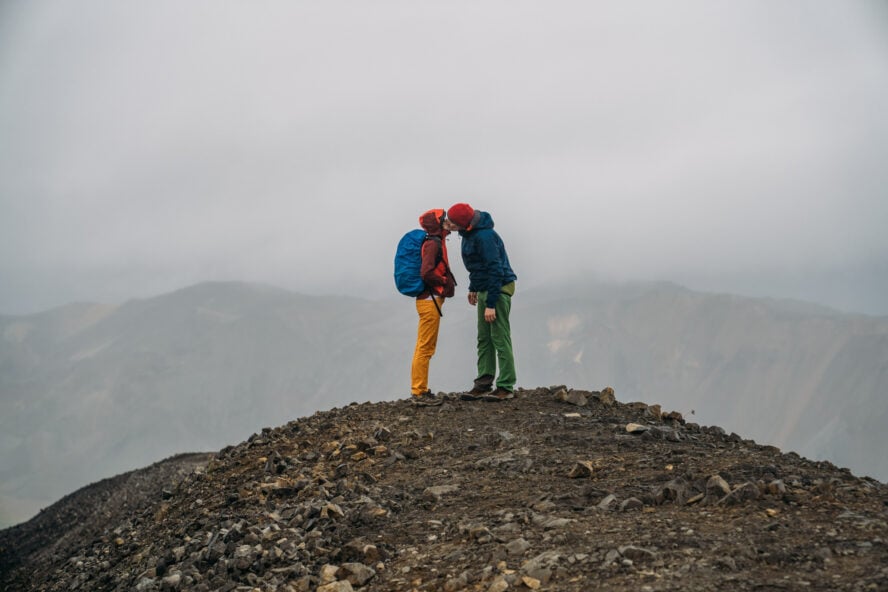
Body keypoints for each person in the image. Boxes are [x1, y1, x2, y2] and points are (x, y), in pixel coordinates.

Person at [445, 203, 517, 401]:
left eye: (451, 221)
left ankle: (506, 386)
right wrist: (473, 287)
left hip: (499, 288)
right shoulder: (467, 234)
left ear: (461, 222)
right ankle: (484, 383)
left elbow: (495, 269)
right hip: (485, 287)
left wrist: (491, 303)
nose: (447, 224)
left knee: (499, 336)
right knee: (484, 337)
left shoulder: (484, 237)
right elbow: (477, 267)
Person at [411, 209, 456, 406]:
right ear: (437, 224)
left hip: (429, 300)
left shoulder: (436, 241)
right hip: (430, 300)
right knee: (425, 347)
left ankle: (420, 390)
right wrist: (444, 281)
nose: (446, 221)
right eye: (443, 219)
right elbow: (426, 272)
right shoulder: (433, 244)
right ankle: (419, 392)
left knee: (425, 345)